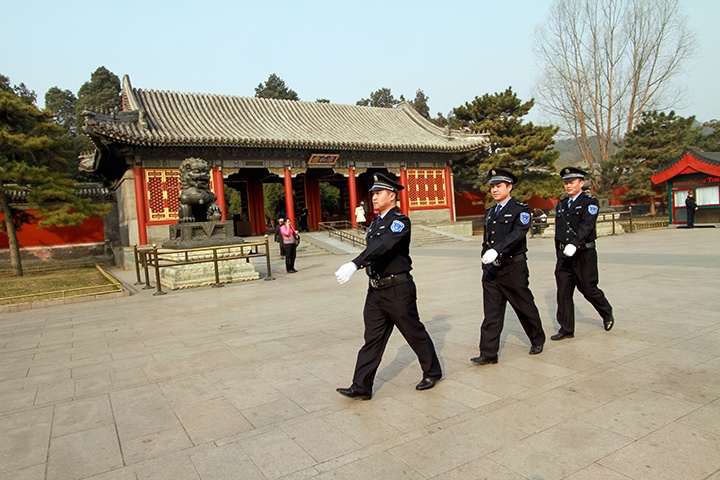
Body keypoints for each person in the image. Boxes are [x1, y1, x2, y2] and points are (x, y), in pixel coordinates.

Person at [334, 173, 442, 400]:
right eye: (373, 193)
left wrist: (356, 263)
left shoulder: (399, 222)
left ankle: (432, 372)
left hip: (397, 289)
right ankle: (361, 385)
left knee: (414, 333)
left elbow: (383, 246)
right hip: (376, 291)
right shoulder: (375, 223)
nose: (374, 197)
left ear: (392, 196)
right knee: (372, 339)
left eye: (379, 193)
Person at [470, 168, 546, 366]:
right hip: (491, 270)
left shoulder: (521, 210)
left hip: (512, 267)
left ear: (509, 187)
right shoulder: (490, 211)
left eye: (499, 186)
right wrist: (485, 258)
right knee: (491, 312)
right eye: (492, 187)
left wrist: (497, 250)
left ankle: (537, 339)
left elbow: (517, 234)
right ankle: (488, 353)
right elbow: (487, 239)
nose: (495, 190)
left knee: (524, 306)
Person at [551, 167, 614, 341]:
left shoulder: (589, 202)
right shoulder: (562, 204)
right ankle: (566, 328)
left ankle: (606, 312)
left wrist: (574, 244)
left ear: (581, 183)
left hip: (583, 253)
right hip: (565, 255)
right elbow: (559, 230)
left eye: (572, 182)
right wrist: (559, 251)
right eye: (566, 183)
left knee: (588, 288)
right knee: (563, 292)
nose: (568, 186)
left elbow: (587, 226)